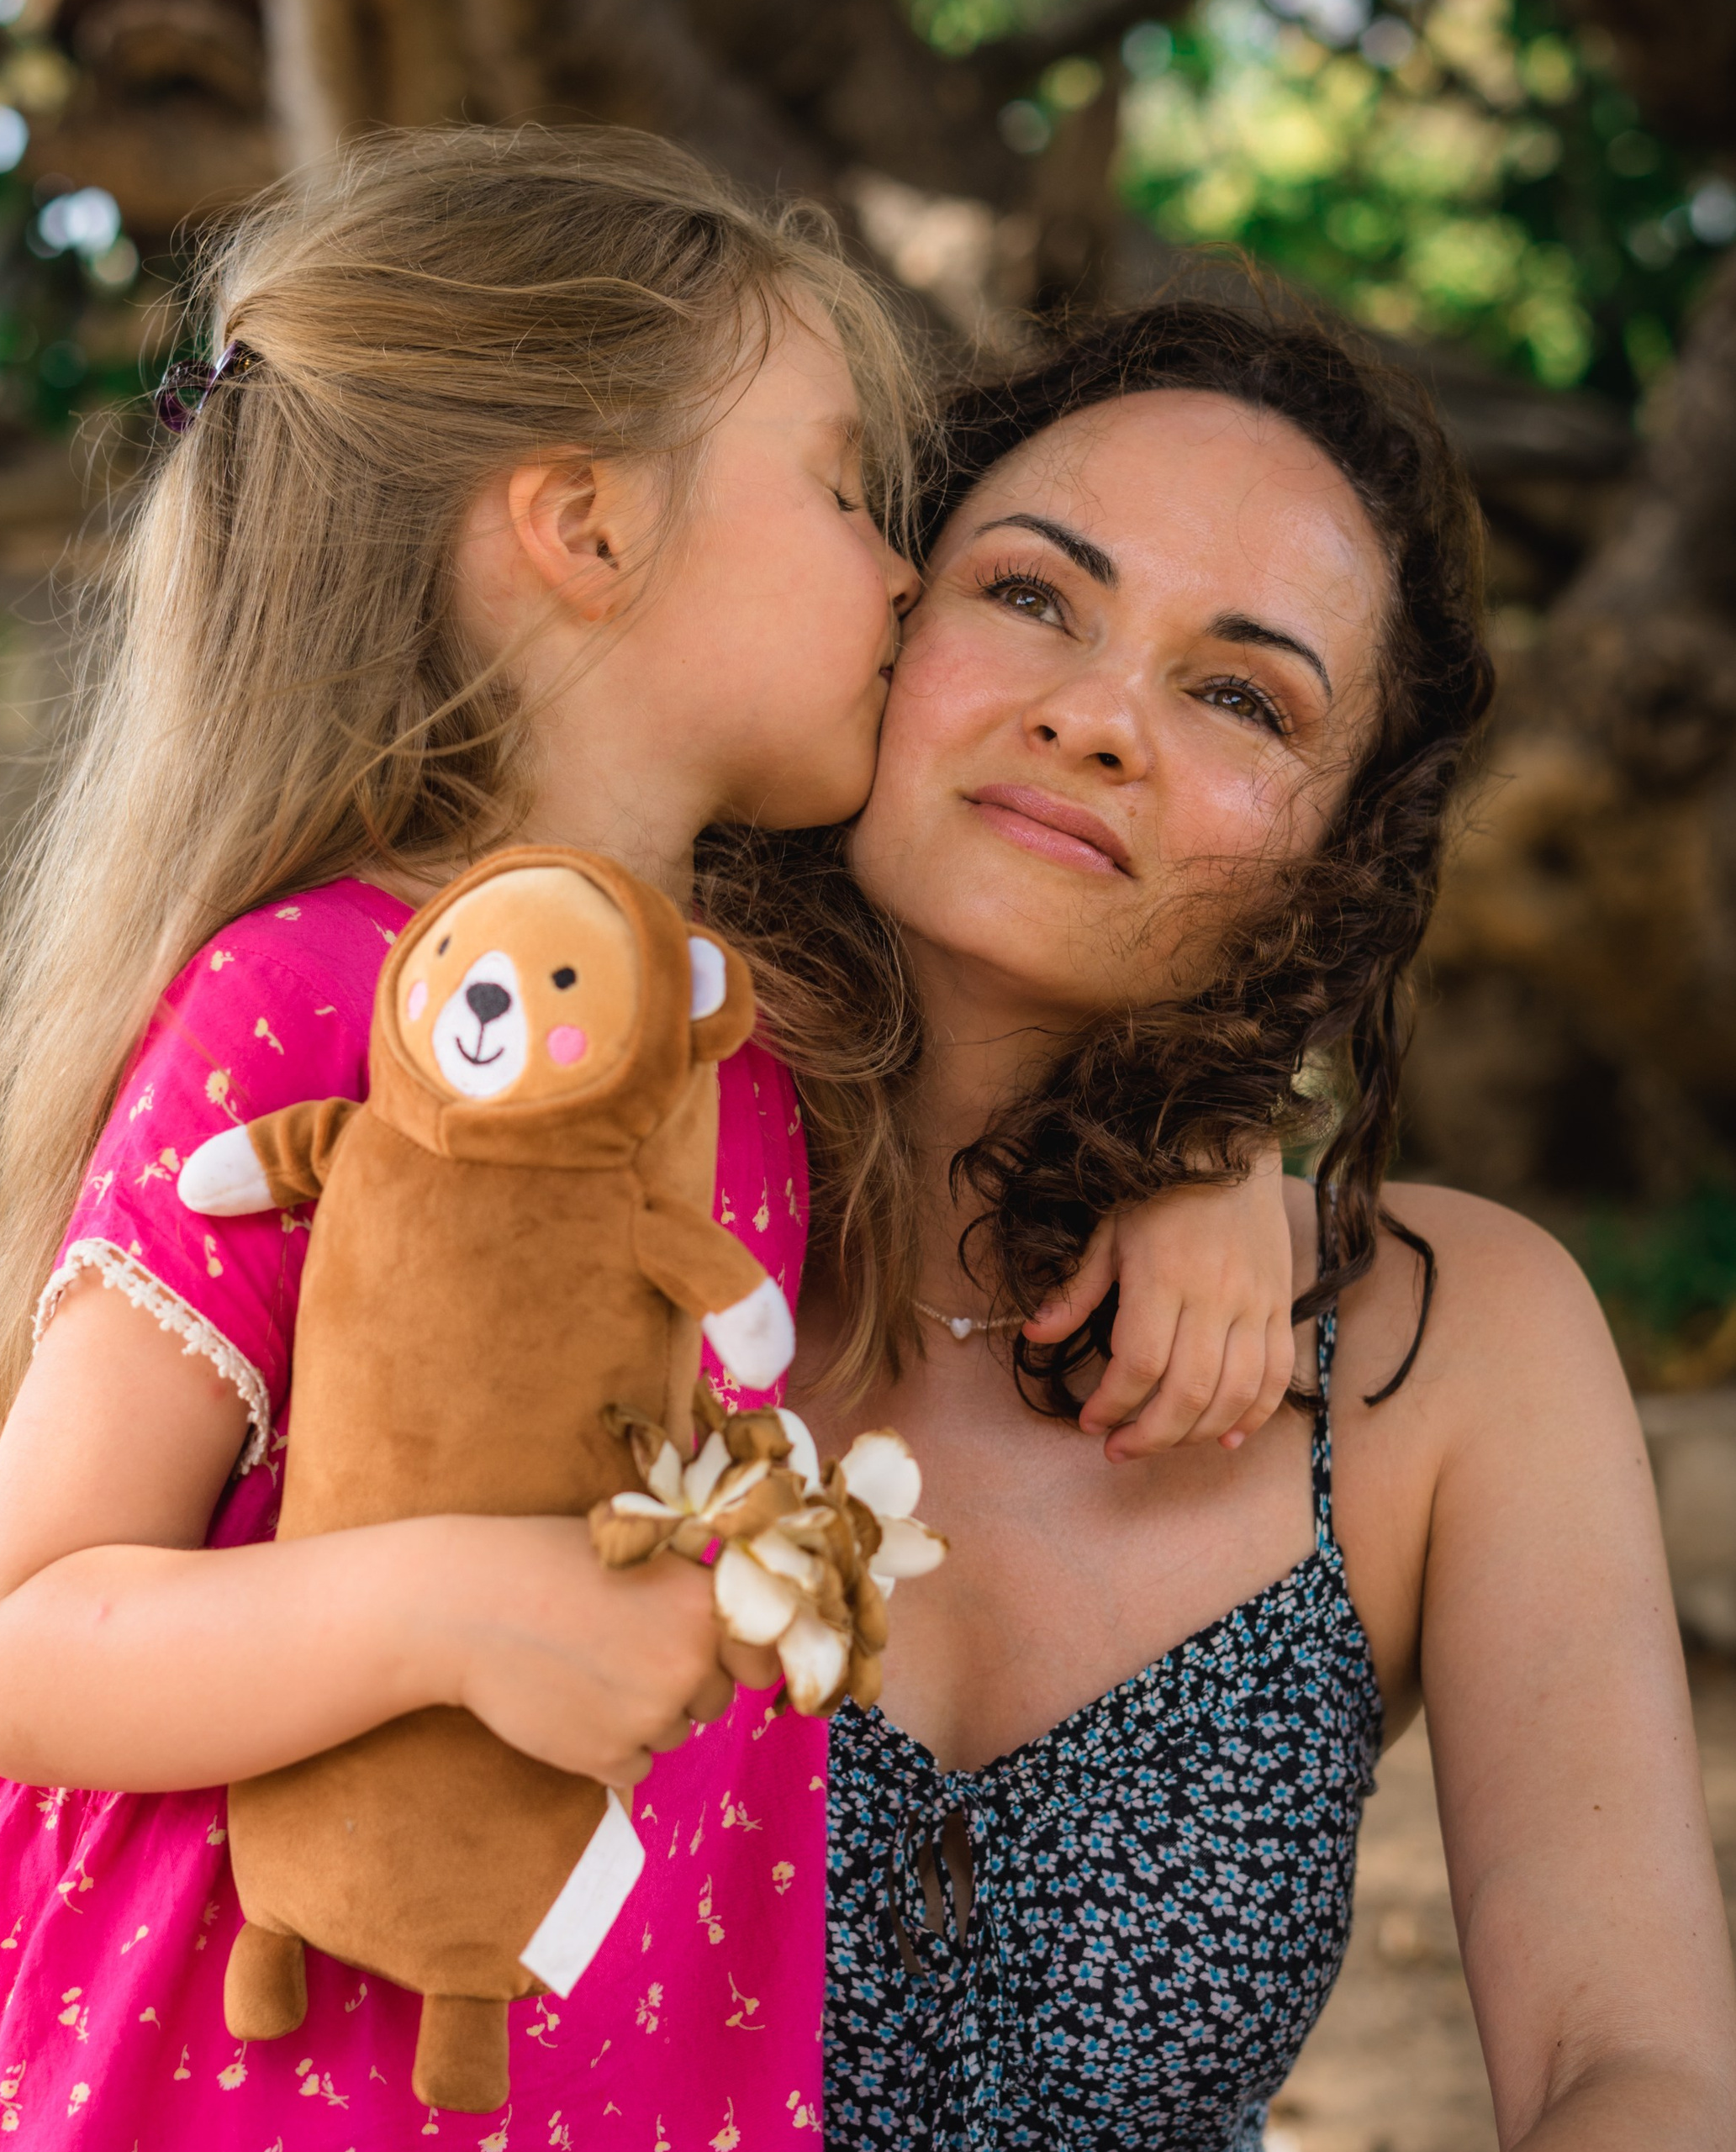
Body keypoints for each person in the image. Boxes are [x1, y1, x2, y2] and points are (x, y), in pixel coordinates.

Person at [0, 137, 1299, 2149]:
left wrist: (1230, 1164)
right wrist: (451, 1608)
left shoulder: (759, 1045)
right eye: (833, 489)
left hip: (600, 2064)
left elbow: (1027, 1096)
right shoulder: (310, 996)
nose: (902, 569)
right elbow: (23, 1638)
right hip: (237, 2070)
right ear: (586, 526)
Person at [736, 303, 1736, 2149]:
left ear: (1343, 848)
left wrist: (1215, 1131)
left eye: (1236, 695)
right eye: (1032, 594)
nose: (1092, 716)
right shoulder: (554, 1176)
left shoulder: (1446, 1342)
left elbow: (1632, 2061)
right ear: (881, 605)